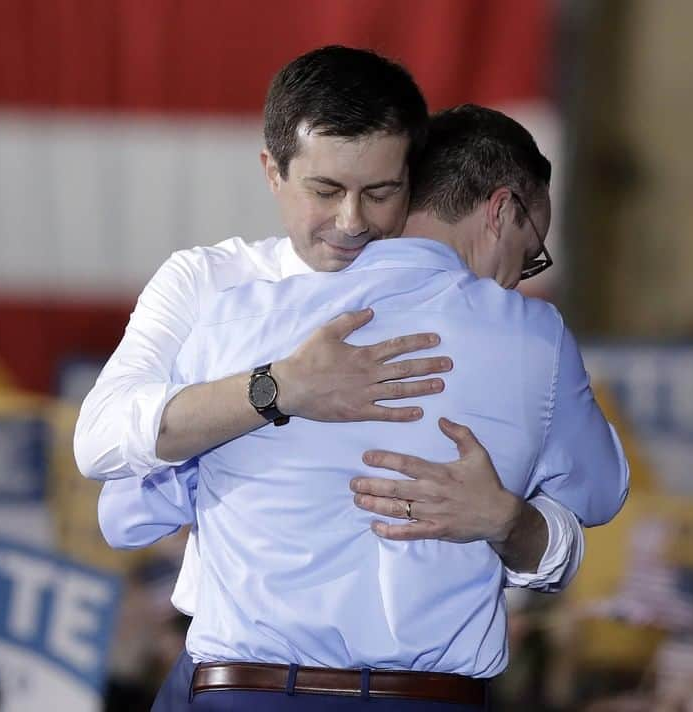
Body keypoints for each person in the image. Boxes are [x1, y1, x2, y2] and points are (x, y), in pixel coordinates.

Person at [75, 48, 627, 710]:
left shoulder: (233, 322)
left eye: (378, 193)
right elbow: (596, 495)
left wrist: (244, 460)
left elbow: (128, 513)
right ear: (272, 172)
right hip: (407, 693)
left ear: (407, 181)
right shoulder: (532, 339)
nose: (351, 222)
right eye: (327, 191)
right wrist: (275, 391)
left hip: (241, 686)